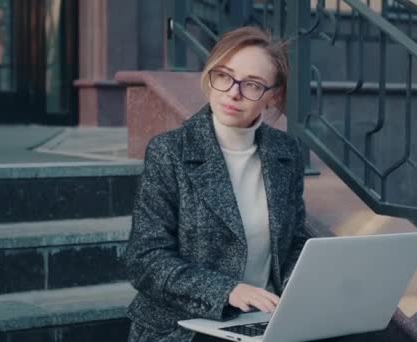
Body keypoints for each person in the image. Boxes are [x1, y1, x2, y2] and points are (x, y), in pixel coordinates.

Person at [124, 26, 310, 342]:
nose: (233, 92)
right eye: (224, 76)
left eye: (252, 84)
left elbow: (294, 241)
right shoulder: (170, 151)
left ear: (273, 95)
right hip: (181, 328)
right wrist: (227, 291)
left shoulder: (285, 153)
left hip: (259, 324)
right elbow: (144, 259)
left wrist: (303, 288)